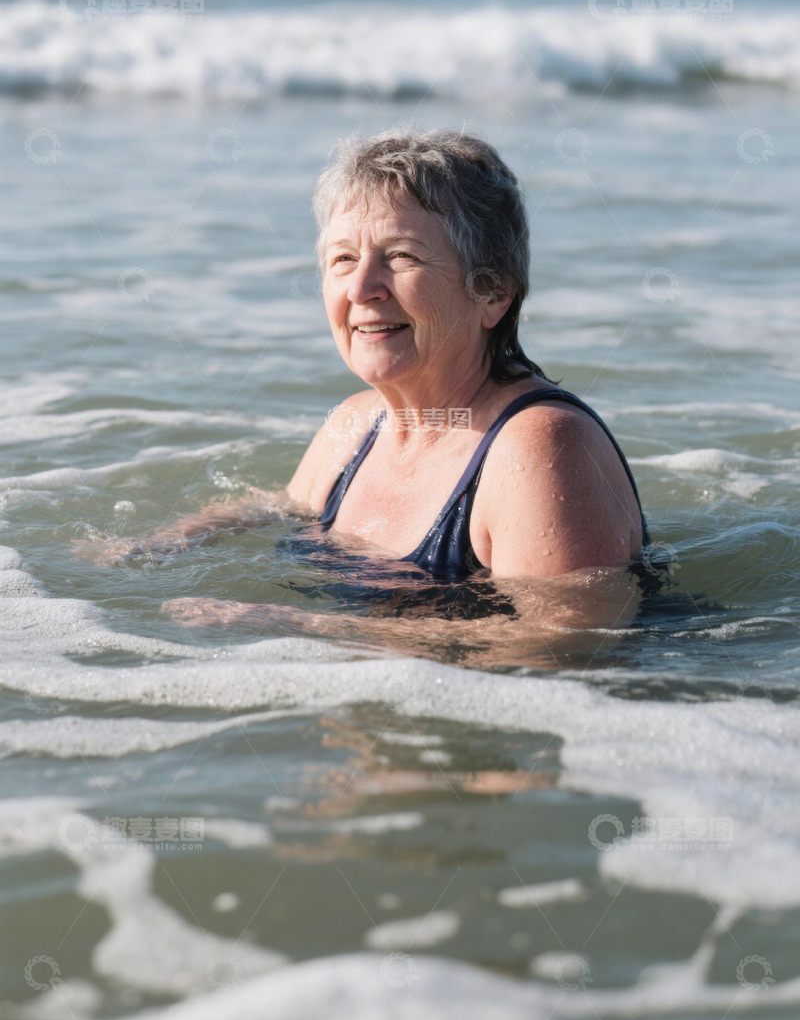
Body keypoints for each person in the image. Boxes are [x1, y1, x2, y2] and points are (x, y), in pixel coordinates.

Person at [78, 129, 659, 640]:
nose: (361, 289)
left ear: (492, 293)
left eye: (401, 257)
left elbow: (564, 646)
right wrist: (169, 540)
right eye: (342, 260)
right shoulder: (356, 422)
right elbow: (283, 506)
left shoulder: (539, 448)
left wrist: (295, 625)